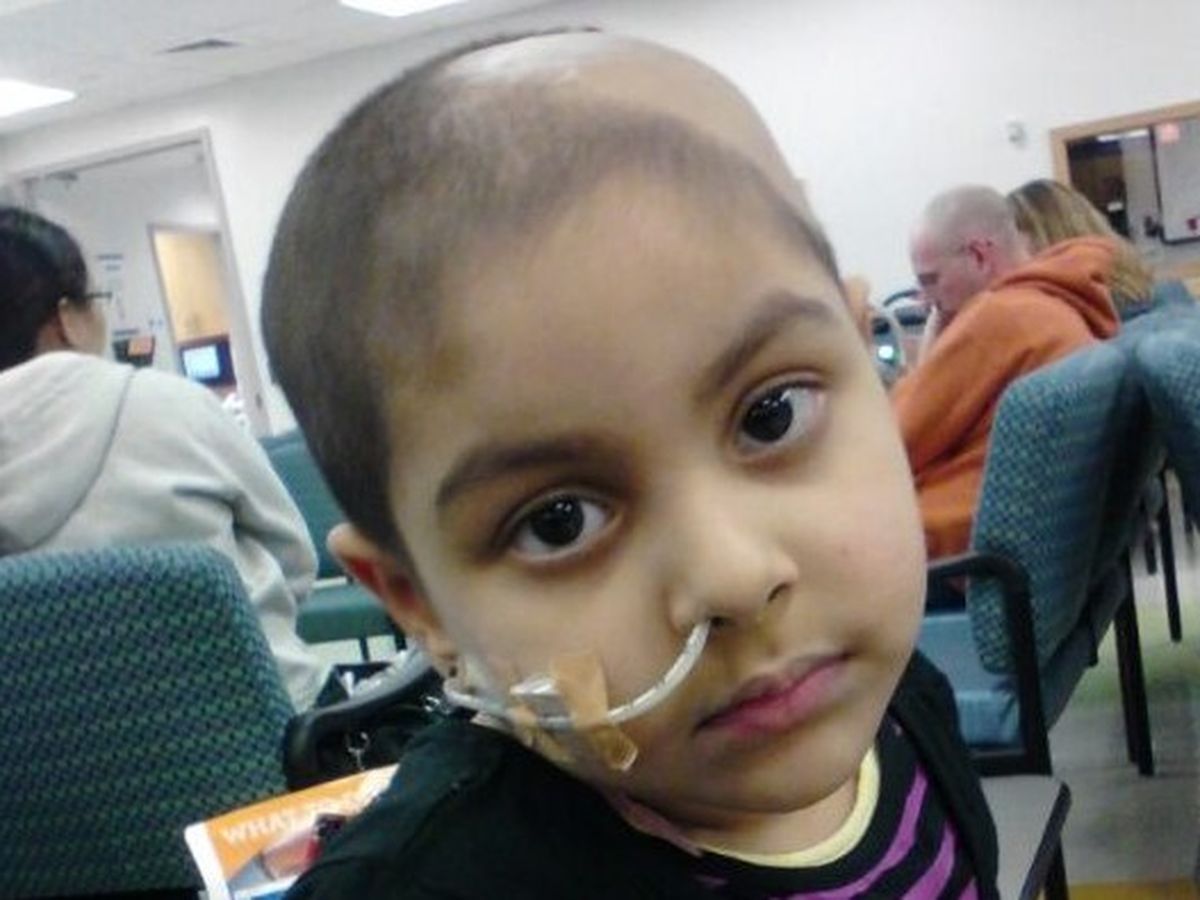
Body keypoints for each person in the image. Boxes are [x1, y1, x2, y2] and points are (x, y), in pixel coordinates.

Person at [264, 30, 999, 899]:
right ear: (416, 601)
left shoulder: (892, 696)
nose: (735, 579)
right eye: (558, 522)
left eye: (772, 415)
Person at [0, 206, 330, 709]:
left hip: (59, 751)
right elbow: (294, 559)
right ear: (66, 319)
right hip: (267, 722)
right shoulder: (173, 405)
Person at [895, 185, 1119, 565]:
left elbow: (893, 444)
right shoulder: (1060, 305)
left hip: (959, 552)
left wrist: (929, 349)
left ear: (980, 255)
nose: (924, 299)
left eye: (930, 280)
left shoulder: (998, 320)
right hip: (1034, 549)